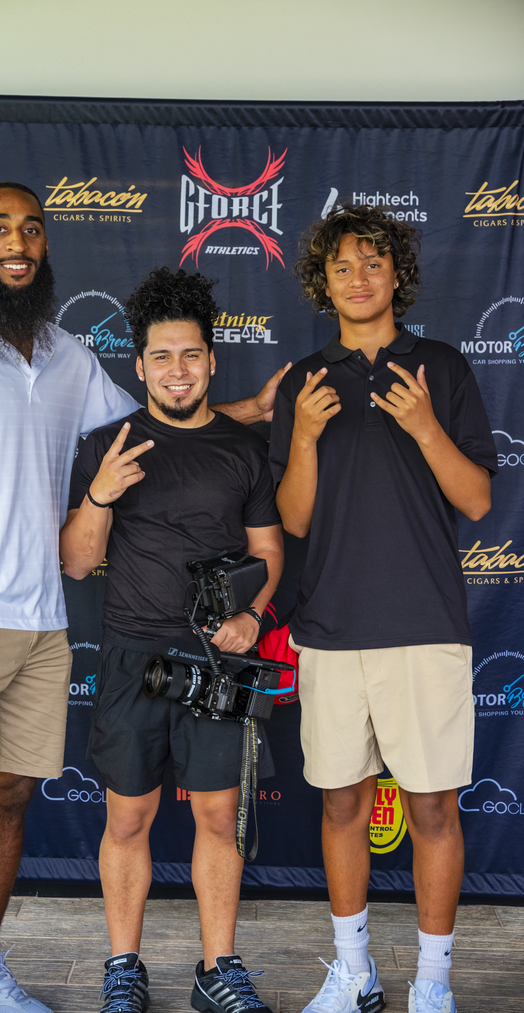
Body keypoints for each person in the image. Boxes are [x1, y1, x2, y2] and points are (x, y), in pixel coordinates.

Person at [0, 183, 289, 1013]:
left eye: (30, 229)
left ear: (45, 244)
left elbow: (161, 432)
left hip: (43, 623)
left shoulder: (66, 355)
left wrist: (243, 413)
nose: (16, 243)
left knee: (9, 797)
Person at [269, 204, 497, 1013]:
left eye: (372, 262)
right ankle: (352, 971)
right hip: (331, 628)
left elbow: (476, 500)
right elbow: (293, 521)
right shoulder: (302, 380)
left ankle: (432, 982)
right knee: (341, 802)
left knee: (432, 806)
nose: (358, 278)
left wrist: (425, 426)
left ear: (396, 273)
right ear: (321, 282)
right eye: (341, 266)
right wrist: (301, 435)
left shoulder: (440, 366)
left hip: (423, 625)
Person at [60, 267, 284, 1013]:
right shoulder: (107, 446)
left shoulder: (244, 450)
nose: (177, 370)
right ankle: (123, 966)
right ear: (140, 364)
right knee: (128, 818)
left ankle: (218, 968)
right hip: (131, 655)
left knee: (218, 816)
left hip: (219, 660)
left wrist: (254, 618)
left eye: (190, 354)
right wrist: (100, 494)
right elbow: (77, 562)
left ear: (212, 361)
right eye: (161, 356)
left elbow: (268, 550)